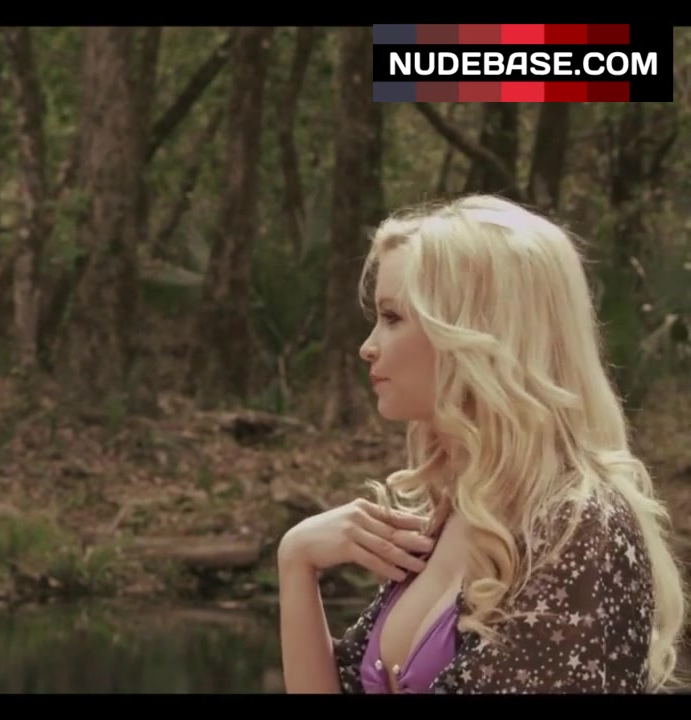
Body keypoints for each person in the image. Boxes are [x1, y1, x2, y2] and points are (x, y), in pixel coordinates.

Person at [276, 194, 687, 694]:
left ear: (473, 333)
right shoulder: (457, 508)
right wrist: (296, 562)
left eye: (393, 317)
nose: (368, 346)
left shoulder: (580, 525)